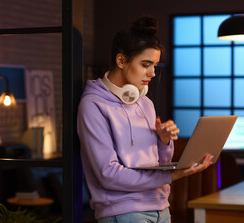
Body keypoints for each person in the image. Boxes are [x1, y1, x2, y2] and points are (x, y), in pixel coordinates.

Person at [77, 16, 213, 223]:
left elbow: (159, 163)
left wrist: (164, 141)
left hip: (161, 207)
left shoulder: (145, 103)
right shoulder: (93, 105)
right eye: (145, 64)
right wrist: (174, 176)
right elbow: (108, 174)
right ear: (121, 60)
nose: (152, 73)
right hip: (124, 213)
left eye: (155, 65)